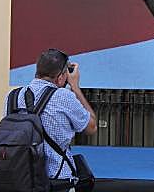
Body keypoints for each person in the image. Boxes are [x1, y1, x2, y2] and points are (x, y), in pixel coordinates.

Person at [7, 48, 97, 181]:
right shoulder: (63, 96)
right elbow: (92, 127)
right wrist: (75, 87)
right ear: (60, 78)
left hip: (19, 179)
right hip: (56, 179)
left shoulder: (13, 96)